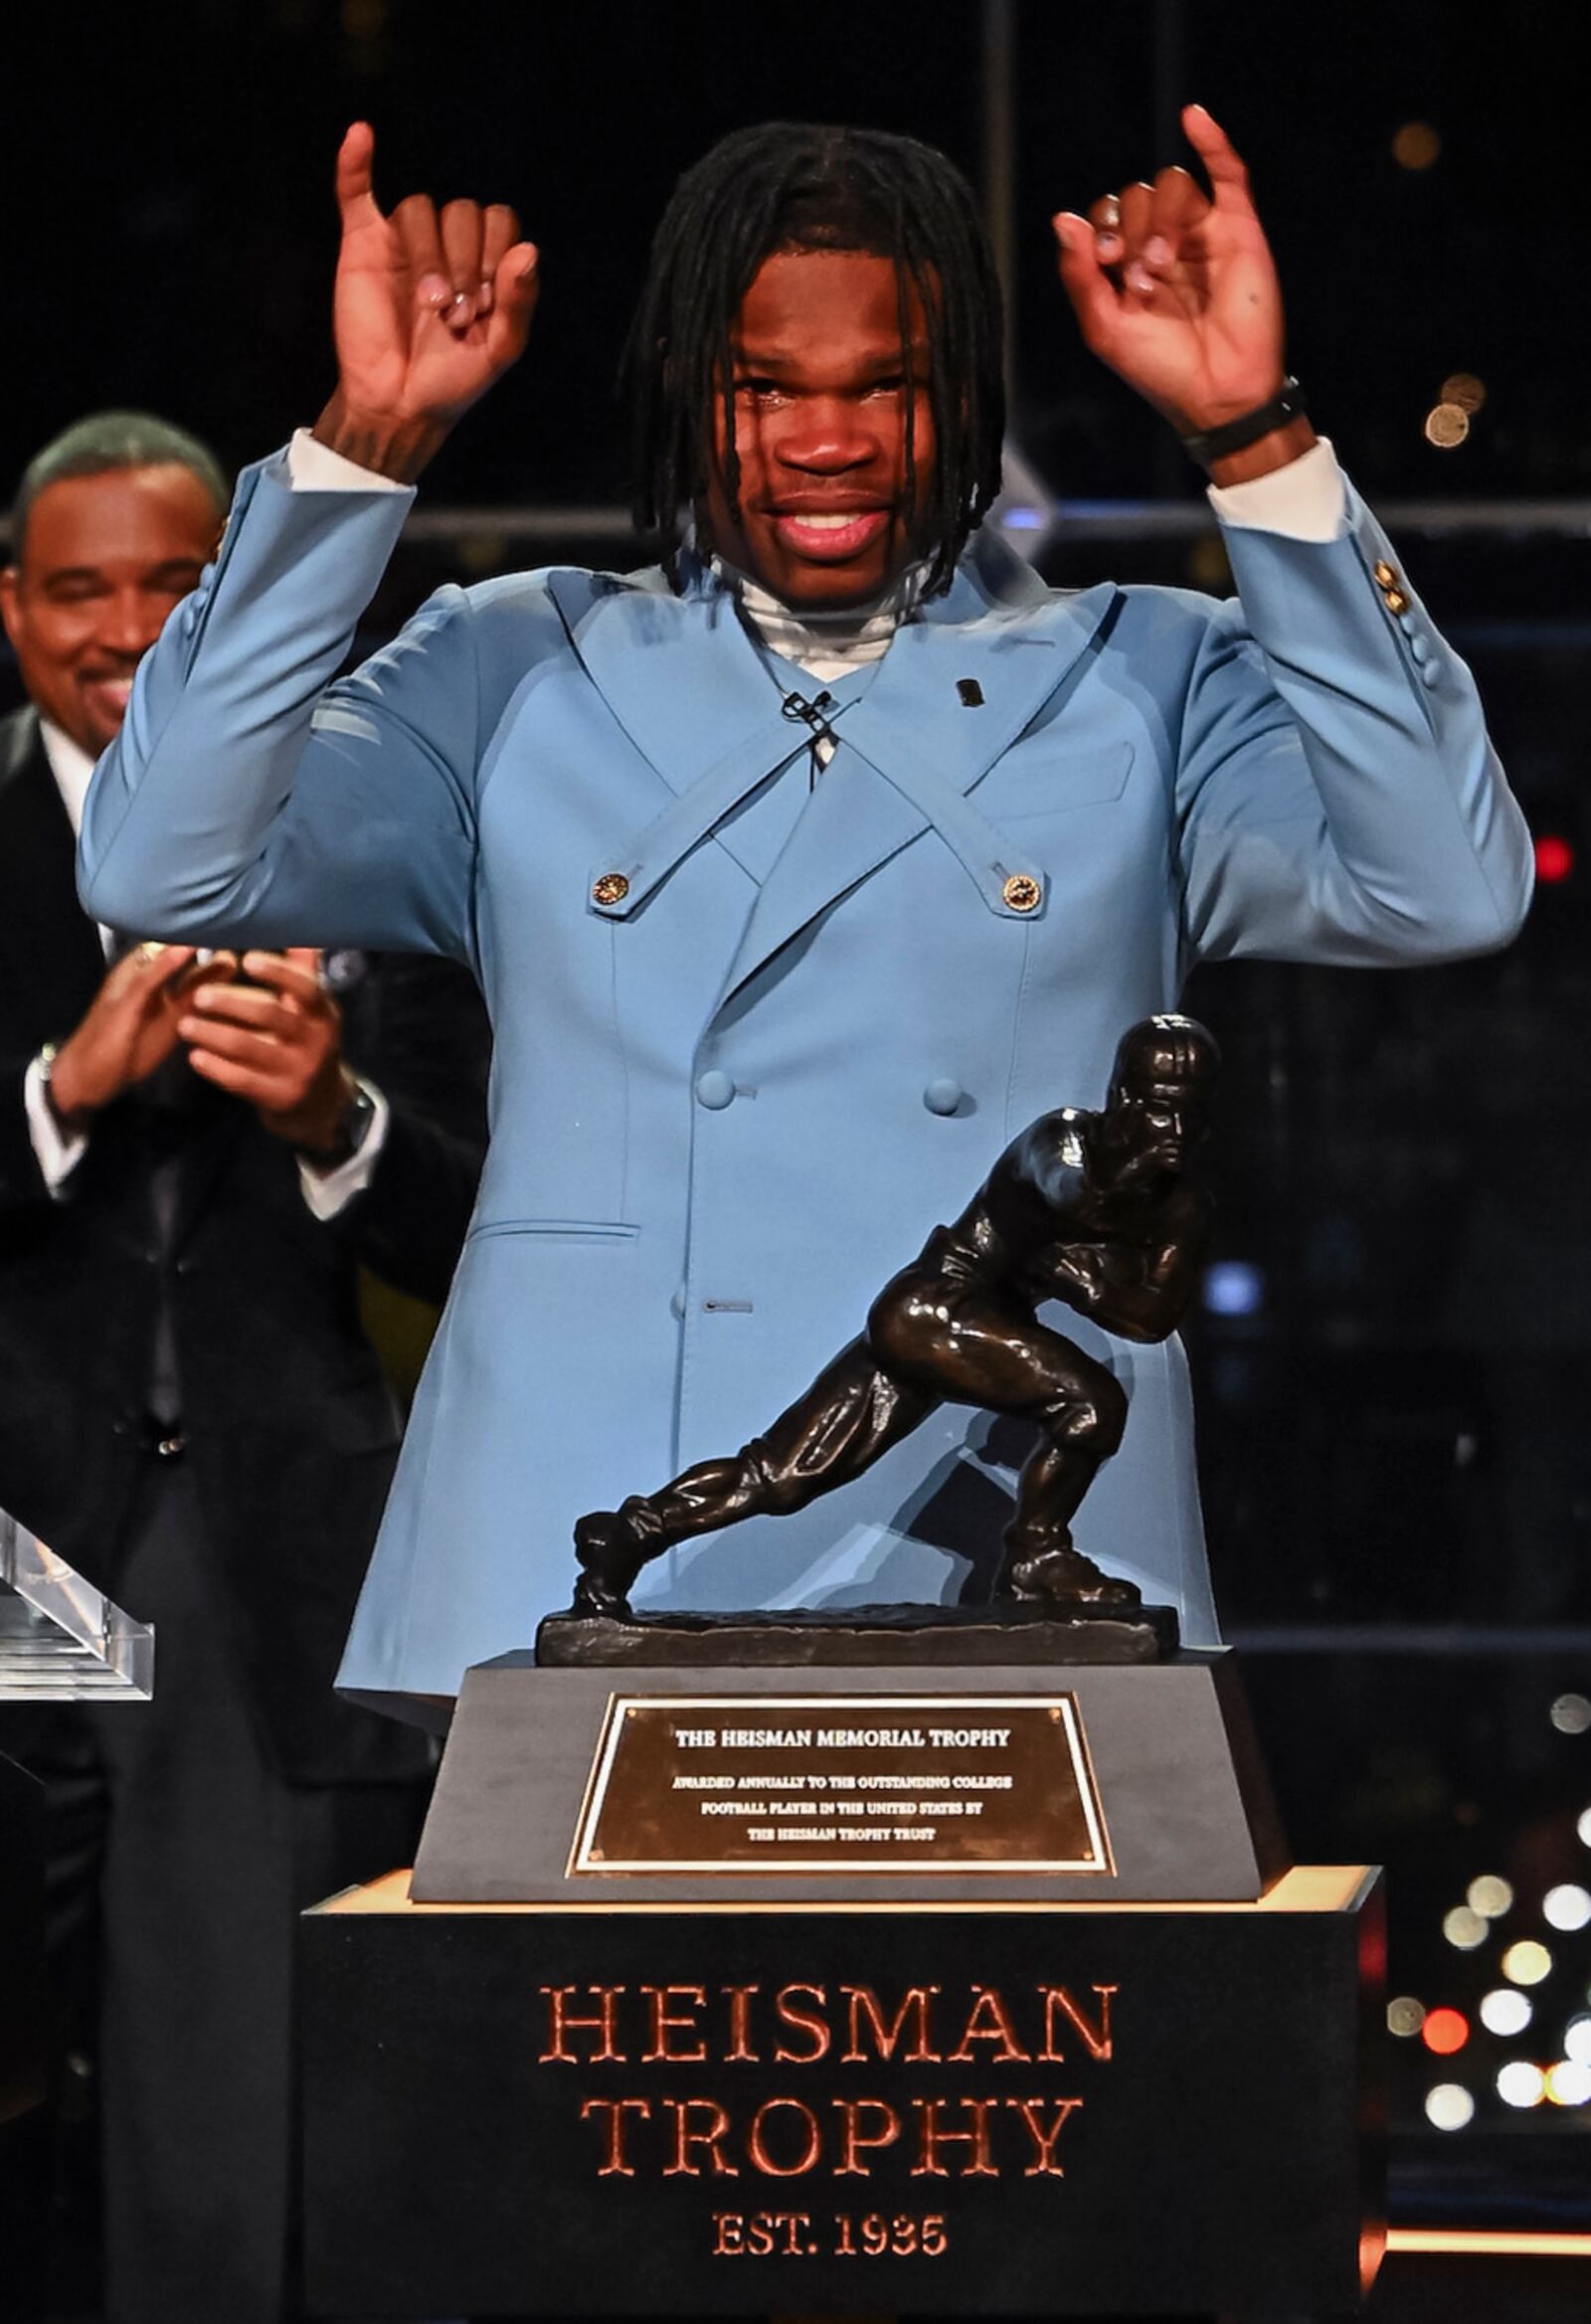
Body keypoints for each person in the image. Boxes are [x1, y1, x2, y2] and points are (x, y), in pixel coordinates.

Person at [78, 112, 1532, 1717]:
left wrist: (1257, 437)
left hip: (1008, 1541)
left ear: (964, 396)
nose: (821, 441)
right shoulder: (507, 668)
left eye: (884, 386)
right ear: (685, 388)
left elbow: (1444, 883)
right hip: (592, 1556)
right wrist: (361, 447)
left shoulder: (1150, 676)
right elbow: (158, 860)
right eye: (761, 385)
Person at [0, 412, 489, 2319]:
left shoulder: (373, 842)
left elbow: (481, 1217)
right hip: (22, 1535)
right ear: (13, 610)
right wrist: (59, 1094)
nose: (127, 628)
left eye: (175, 585)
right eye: (80, 588)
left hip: (263, 1567)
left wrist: (337, 1118)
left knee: (236, 2119)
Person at [574, 1013, 1218, 1614]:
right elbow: (1066, 1192)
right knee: (1090, 1403)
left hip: (965, 1324)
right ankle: (1034, 1552)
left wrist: (1081, 1271)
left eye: (1194, 1116)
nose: (1179, 1135)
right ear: (1126, 1099)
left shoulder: (1183, 1201)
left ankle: (628, 1534)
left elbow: (1149, 1319)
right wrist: (1104, 1251)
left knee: (784, 1471)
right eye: (1163, 1112)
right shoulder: (1064, 1140)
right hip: (931, 1307)